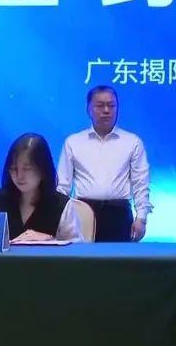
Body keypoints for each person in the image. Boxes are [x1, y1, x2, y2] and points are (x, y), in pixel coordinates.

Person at [57, 86, 152, 243]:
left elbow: (140, 183)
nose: (106, 110)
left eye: (111, 105)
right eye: (100, 105)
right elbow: (63, 186)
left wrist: (141, 219)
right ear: (88, 109)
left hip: (119, 214)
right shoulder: (73, 142)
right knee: (81, 258)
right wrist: (57, 218)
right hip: (82, 214)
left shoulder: (132, 142)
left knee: (120, 258)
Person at [0, 133, 82, 243]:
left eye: (27, 169)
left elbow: (78, 247)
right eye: (13, 168)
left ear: (43, 170)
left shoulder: (62, 206)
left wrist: (50, 240)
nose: (19, 176)